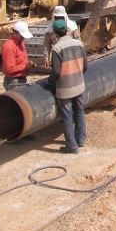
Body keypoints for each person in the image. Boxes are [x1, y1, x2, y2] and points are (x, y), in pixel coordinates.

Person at [48, 19, 88, 154]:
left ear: (55, 33)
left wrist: (49, 81)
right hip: (79, 85)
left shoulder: (57, 48)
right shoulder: (79, 44)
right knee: (80, 111)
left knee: (67, 116)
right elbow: (85, 66)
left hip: (65, 88)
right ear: (66, 30)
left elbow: (56, 71)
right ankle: (81, 140)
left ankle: (72, 147)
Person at [2, 21, 34, 90]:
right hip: (13, 81)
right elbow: (9, 69)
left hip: (21, 78)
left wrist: (29, 65)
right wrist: (25, 66)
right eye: (22, 35)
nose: (23, 37)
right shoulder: (9, 46)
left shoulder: (20, 43)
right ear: (15, 33)